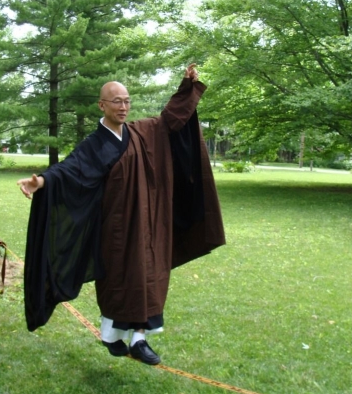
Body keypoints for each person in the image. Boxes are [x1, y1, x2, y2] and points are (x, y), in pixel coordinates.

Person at [17, 63, 225, 365]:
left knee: (150, 276)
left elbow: (171, 120)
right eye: (117, 101)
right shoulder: (94, 145)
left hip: (149, 223)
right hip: (116, 230)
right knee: (118, 281)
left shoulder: (143, 132)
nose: (124, 106)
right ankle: (112, 336)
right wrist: (41, 182)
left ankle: (139, 340)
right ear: (102, 105)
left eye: (127, 101)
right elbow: (70, 170)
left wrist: (187, 88)